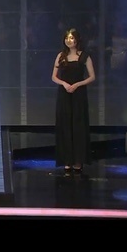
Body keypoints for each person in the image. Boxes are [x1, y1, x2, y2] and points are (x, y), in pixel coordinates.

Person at [51, 28, 95, 173]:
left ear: (77, 40)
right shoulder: (61, 56)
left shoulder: (84, 56)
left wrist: (77, 84)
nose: (69, 41)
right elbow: (54, 76)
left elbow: (92, 77)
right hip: (64, 93)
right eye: (66, 38)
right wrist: (64, 84)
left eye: (71, 38)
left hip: (79, 94)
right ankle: (67, 160)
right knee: (65, 124)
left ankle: (78, 160)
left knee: (78, 124)